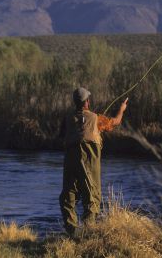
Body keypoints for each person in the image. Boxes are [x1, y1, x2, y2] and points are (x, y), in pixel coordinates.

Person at [58, 87, 128, 237]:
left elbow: (61, 135)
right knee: (91, 196)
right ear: (87, 102)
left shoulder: (67, 118)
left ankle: (73, 232)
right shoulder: (96, 118)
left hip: (70, 158)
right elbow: (115, 121)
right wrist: (122, 108)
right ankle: (87, 233)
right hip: (89, 159)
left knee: (68, 196)